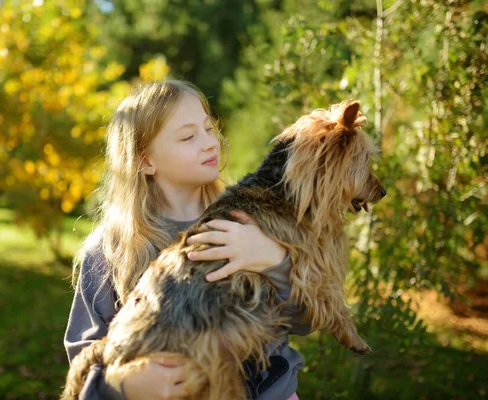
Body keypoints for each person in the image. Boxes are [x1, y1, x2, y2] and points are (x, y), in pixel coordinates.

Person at [64, 79, 310, 400]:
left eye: (209, 129)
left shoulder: (252, 222)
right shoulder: (112, 249)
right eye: (188, 136)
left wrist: (275, 263)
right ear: (144, 161)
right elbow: (85, 358)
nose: (209, 143)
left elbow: (305, 320)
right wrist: (124, 386)